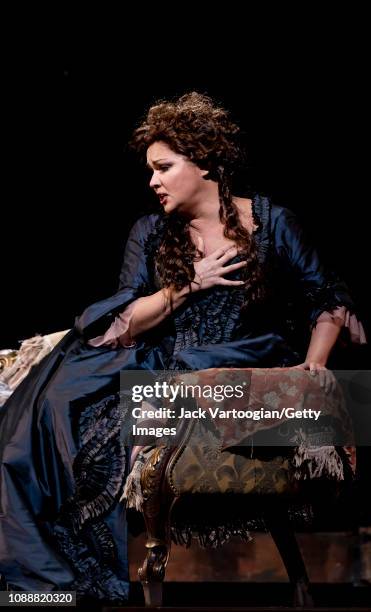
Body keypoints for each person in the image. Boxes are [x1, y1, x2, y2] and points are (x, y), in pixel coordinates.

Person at [0, 92, 366, 604]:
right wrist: (187, 286)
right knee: (50, 427)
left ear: (206, 162)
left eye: (164, 167)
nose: (153, 181)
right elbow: (123, 319)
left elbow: (322, 296)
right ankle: (52, 589)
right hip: (161, 362)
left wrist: (315, 364)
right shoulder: (149, 231)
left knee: (123, 415)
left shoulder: (272, 222)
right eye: (151, 170)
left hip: (238, 364)